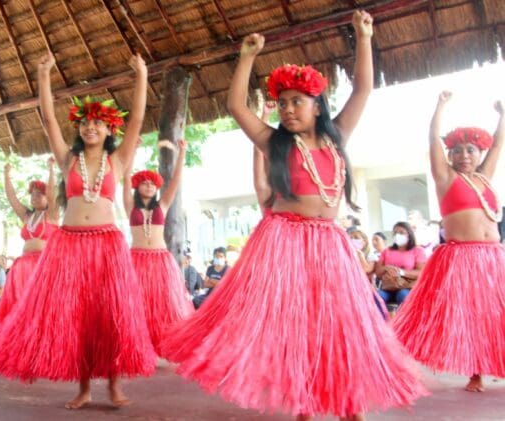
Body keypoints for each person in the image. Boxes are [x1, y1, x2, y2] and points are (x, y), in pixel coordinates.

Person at [160, 11, 426, 420]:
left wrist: (364, 35)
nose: (287, 110)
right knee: (297, 327)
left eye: (296, 102)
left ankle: (347, 401)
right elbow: (235, 105)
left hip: (329, 242)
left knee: (338, 325)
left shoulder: (338, 138)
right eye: (282, 103)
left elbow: (364, 89)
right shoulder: (274, 143)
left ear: (317, 106)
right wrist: (247, 56)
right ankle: (302, 403)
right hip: (284, 240)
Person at [0, 52, 155, 409]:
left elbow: (137, 117)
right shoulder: (66, 160)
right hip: (70, 244)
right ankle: (84, 388)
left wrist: (141, 75)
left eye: (98, 123)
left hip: (107, 244)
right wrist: (44, 75)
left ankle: (113, 385)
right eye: (84, 123)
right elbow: (48, 119)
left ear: (110, 130)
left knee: (110, 314)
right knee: (76, 316)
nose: (90, 128)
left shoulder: (118, 160)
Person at [393, 92, 505, 393]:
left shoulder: (485, 178)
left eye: (470, 150)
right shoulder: (445, 177)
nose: (464, 155)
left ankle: (492, 367)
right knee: (471, 316)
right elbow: (433, 141)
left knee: (497, 315)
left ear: (480, 153)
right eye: (456, 150)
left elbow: (499, 143)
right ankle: (475, 373)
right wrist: (440, 107)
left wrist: (501, 115)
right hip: (461, 258)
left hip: (493, 257)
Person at [122, 138, 194, 354]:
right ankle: (137, 346)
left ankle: (163, 345)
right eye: (145, 182)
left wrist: (182, 153)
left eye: (153, 184)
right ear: (138, 186)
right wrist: (132, 148)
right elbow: (125, 177)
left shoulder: (162, 205)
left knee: (165, 305)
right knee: (136, 304)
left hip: (160, 259)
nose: (150, 186)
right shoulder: (130, 205)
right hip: (136, 259)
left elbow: (176, 180)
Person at [0, 157, 60, 325]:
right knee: (22, 304)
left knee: (41, 303)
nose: (35, 197)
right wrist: (6, 175)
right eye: (33, 194)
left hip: (43, 264)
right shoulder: (27, 216)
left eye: (40, 195)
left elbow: (53, 193)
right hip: (23, 266)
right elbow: (12, 198)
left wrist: (51, 169)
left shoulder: (51, 215)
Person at [374, 222, 426, 307]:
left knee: (403, 296)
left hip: (406, 287)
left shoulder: (418, 251)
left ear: (409, 234)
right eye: (395, 233)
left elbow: (421, 272)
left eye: (401, 232)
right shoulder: (387, 251)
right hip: (389, 287)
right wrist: (387, 268)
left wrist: (400, 272)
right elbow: (378, 273)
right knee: (377, 298)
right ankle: (381, 320)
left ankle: (405, 320)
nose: (398, 235)